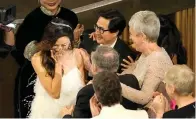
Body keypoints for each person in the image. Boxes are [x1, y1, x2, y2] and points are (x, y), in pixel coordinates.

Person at [13, 0, 80, 117]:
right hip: (38, 72)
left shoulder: (71, 16)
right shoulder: (31, 20)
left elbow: (75, 46)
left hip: (67, 71)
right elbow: (25, 50)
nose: (51, 0)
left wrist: (75, 41)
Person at [28, 18, 90, 118]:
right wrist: (57, 66)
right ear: (48, 42)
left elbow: (82, 88)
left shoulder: (77, 54)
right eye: (56, 45)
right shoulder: (38, 58)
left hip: (72, 111)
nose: (60, 49)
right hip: (48, 113)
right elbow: (54, 93)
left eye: (64, 45)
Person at [61, 46, 140, 118]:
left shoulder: (87, 91)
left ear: (94, 67)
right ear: (116, 65)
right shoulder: (132, 80)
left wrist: (66, 115)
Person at [120, 10, 173, 106]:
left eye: (131, 34)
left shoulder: (157, 60)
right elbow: (131, 72)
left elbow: (144, 98)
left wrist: (112, 85)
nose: (130, 38)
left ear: (142, 37)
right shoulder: (146, 54)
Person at [78, 9, 138, 73]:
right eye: (97, 27)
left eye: (101, 29)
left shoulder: (125, 58)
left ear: (115, 32)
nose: (97, 32)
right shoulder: (88, 40)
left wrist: (90, 67)